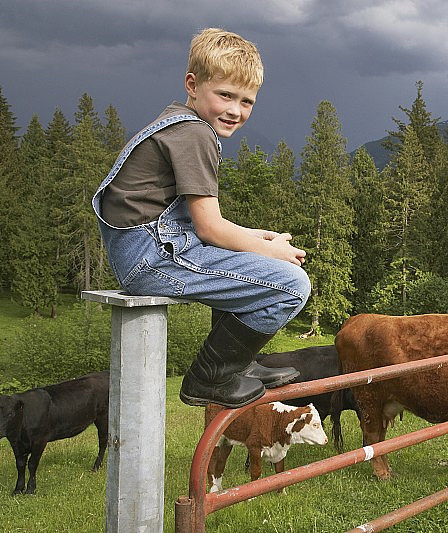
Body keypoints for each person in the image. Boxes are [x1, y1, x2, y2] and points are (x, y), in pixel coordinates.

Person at [92, 28, 310, 409]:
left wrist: (260, 239)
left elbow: (199, 223)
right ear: (193, 84)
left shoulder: (178, 123)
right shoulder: (196, 134)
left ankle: (236, 363)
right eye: (225, 95)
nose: (235, 110)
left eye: (247, 101)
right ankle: (210, 377)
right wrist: (269, 252)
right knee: (291, 285)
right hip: (151, 258)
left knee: (254, 262)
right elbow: (209, 228)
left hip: (152, 248)